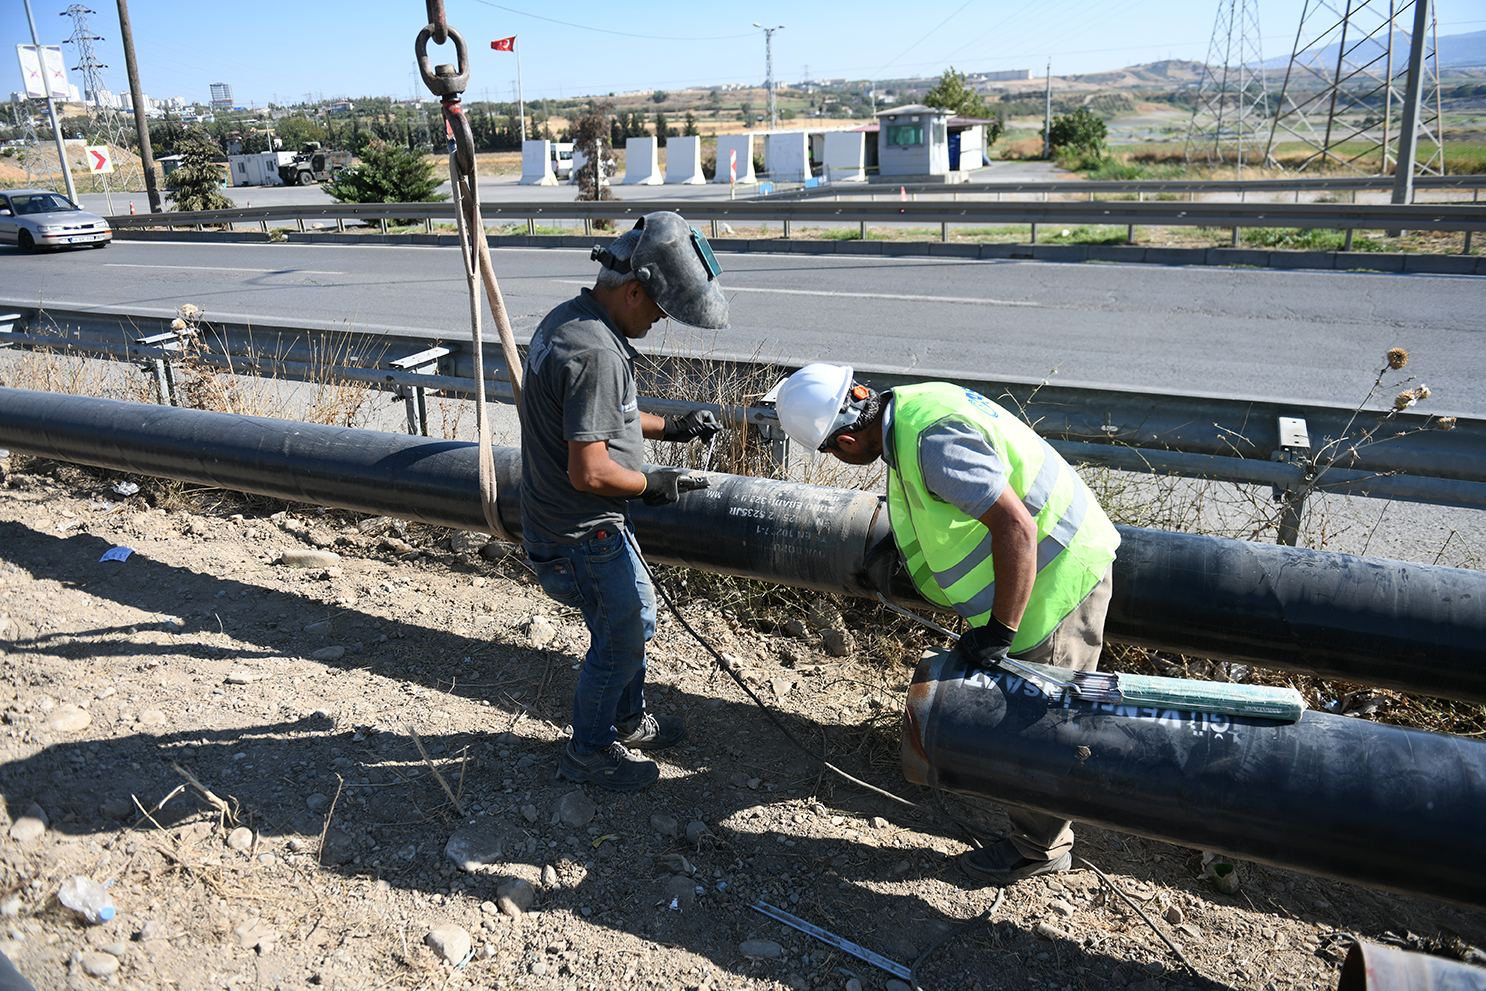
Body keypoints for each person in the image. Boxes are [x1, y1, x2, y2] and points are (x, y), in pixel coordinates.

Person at [773, 364, 1120, 885]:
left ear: (844, 440)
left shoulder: (929, 442)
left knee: (1042, 722)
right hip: (1046, 565)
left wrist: (1001, 629)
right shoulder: (911, 407)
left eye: (831, 453)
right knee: (1029, 713)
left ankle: (1039, 849)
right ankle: (1020, 805)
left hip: (1058, 576)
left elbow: (1016, 529)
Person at [519, 211, 728, 792]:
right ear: (634, 289)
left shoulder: (572, 321)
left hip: (575, 523)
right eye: (658, 310)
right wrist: (650, 483)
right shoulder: (598, 355)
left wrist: (672, 428)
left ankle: (627, 719)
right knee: (619, 637)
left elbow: (604, 422)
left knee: (638, 617)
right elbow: (589, 470)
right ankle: (588, 753)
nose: (658, 322)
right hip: (581, 533)